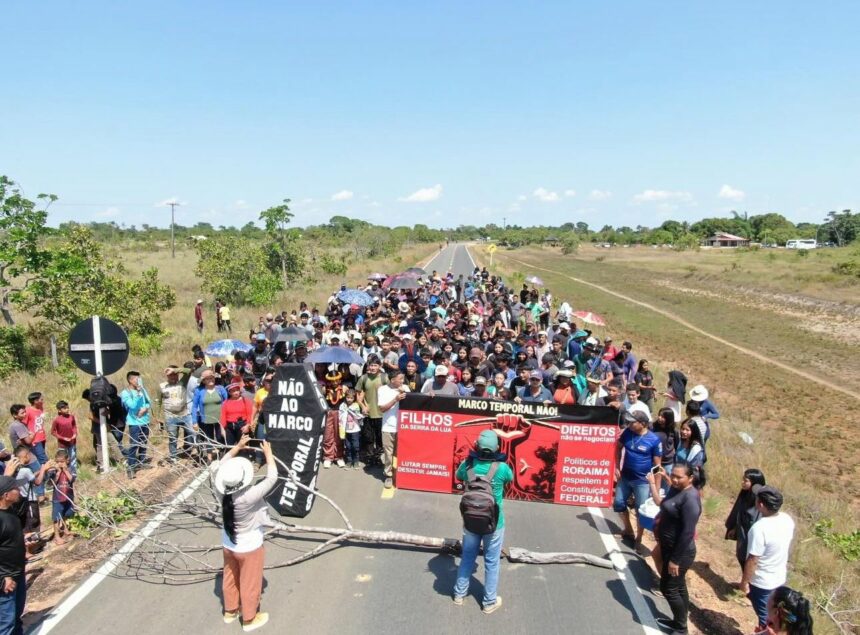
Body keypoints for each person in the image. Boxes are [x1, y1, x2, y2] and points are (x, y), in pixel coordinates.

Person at [213, 436, 278, 632]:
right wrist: (269, 454)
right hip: (249, 545)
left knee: (230, 577)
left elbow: (216, 466)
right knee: (250, 582)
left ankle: (230, 611)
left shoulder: (219, 490)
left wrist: (237, 447)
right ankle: (249, 618)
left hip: (229, 543)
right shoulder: (248, 496)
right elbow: (272, 477)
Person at [452, 430, 513, 614]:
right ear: (496, 448)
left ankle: (459, 594)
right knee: (492, 562)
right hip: (494, 523)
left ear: (477, 446)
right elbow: (510, 480)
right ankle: (488, 602)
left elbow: (458, 476)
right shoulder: (501, 468)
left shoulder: (468, 464)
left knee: (467, 556)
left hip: (470, 521)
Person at [646, 463, 702, 635]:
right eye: (673, 475)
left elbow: (687, 533)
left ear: (691, 478)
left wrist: (675, 560)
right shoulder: (676, 490)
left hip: (681, 552)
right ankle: (679, 621)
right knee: (679, 587)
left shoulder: (691, 499)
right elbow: (664, 503)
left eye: (679, 477)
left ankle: (681, 628)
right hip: (669, 547)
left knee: (668, 588)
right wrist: (662, 479)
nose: (675, 480)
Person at [742, 485, 795, 633]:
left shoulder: (759, 529)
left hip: (762, 582)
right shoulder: (787, 519)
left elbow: (753, 559)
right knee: (776, 616)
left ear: (760, 504)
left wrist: (744, 582)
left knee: (767, 620)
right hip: (779, 578)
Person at [614, 410, 662, 547]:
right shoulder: (627, 433)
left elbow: (658, 466)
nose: (629, 424)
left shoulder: (654, 440)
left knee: (640, 510)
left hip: (642, 482)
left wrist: (656, 488)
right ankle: (628, 530)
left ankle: (639, 539)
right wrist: (617, 466)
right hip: (625, 477)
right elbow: (617, 448)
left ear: (643, 424)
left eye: (632, 422)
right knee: (618, 503)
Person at [725, 468, 766, 582]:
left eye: (746, 480)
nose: (743, 482)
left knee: (748, 559)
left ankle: (748, 583)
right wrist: (734, 528)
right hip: (742, 531)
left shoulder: (759, 500)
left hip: (751, 535)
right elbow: (738, 511)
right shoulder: (745, 494)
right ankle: (746, 582)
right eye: (743, 479)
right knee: (741, 556)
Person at [0, 474, 27, 635]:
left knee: (16, 618)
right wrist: (2, 579)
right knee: (6, 625)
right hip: (6, 581)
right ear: (5, 495)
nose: (19, 490)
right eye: (16, 488)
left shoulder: (10, 511)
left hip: (18, 573)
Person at [355, 355, 388, 466]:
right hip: (368, 414)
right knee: (368, 437)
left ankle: (378, 458)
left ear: (380, 366)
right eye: (371, 365)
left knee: (380, 438)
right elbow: (358, 395)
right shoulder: (364, 378)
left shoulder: (385, 378)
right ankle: (369, 458)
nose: (373, 368)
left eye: (375, 365)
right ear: (368, 366)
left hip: (382, 414)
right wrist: (363, 406)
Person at [158, 366, 195, 463]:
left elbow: (189, 371)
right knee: (173, 438)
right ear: (167, 376)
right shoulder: (162, 386)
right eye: (171, 375)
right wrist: (158, 417)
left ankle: (200, 452)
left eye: (175, 375)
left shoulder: (182, 382)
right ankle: (173, 457)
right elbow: (158, 402)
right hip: (170, 417)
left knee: (193, 433)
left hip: (185, 415)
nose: (173, 377)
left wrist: (175, 370)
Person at [120, 371, 153, 480]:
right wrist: (138, 394)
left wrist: (146, 408)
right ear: (130, 380)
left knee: (143, 442)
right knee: (134, 444)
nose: (138, 381)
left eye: (139, 379)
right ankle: (131, 467)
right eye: (136, 379)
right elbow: (132, 405)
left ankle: (142, 461)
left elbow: (149, 401)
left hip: (145, 420)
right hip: (134, 422)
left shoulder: (142, 389)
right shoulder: (125, 393)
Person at [377, 371, 407, 489]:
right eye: (400, 379)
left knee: (400, 453)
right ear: (392, 379)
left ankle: (400, 473)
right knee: (388, 454)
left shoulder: (405, 388)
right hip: (388, 427)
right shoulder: (382, 390)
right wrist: (395, 399)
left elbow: (415, 401)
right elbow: (382, 409)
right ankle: (388, 475)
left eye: (403, 379)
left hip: (403, 427)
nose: (402, 381)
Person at [192, 370, 228, 464]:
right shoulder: (199, 391)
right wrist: (194, 421)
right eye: (207, 379)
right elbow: (194, 406)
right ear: (203, 381)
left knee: (220, 437)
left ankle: (222, 453)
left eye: (211, 378)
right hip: (206, 419)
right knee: (209, 438)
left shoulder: (220, 389)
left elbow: (227, 402)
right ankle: (209, 458)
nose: (210, 380)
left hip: (220, 418)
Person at [45, 449, 75, 545]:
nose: (60, 464)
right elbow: (51, 484)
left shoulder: (71, 468)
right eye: (57, 462)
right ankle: (57, 536)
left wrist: (65, 470)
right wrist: (57, 472)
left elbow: (72, 479)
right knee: (56, 517)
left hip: (68, 496)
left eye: (62, 462)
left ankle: (66, 529)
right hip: (57, 498)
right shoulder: (53, 471)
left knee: (67, 514)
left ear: (67, 460)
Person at [24, 393, 48, 503]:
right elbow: (24, 425)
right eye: (40, 399)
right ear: (34, 401)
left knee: (42, 460)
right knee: (43, 461)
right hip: (35, 440)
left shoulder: (40, 409)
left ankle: (44, 482)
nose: (42, 400)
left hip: (42, 437)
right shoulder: (28, 411)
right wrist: (30, 438)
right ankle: (43, 485)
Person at [220, 383, 254, 448]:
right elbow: (223, 416)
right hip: (230, 428)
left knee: (243, 446)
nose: (236, 392)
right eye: (233, 391)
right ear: (229, 393)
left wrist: (247, 425)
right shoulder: (225, 403)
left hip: (242, 426)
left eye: (237, 390)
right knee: (229, 447)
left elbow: (250, 414)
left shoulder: (245, 401)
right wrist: (222, 429)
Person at [49, 401, 78, 474]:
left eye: (67, 408)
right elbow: (52, 432)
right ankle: (62, 472)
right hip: (62, 444)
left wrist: (75, 434)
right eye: (64, 408)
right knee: (62, 458)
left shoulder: (71, 417)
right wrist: (63, 438)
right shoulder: (57, 420)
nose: (67, 409)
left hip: (72, 442)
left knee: (73, 457)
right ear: (59, 410)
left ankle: (73, 472)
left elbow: (74, 426)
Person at [338, 390, 364, 469]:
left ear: (354, 398)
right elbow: (340, 416)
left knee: (355, 446)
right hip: (345, 429)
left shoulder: (356, 405)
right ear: (345, 397)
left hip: (355, 429)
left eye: (351, 398)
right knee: (348, 446)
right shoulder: (342, 405)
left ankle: (356, 461)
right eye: (348, 397)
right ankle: (349, 461)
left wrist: (351, 412)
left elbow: (358, 416)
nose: (349, 399)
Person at [652, 408, 678, 477]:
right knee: (655, 481)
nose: (659, 418)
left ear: (669, 418)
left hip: (667, 463)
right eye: (659, 415)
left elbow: (676, 445)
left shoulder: (674, 431)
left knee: (666, 482)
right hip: (655, 462)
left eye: (663, 417)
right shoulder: (653, 428)